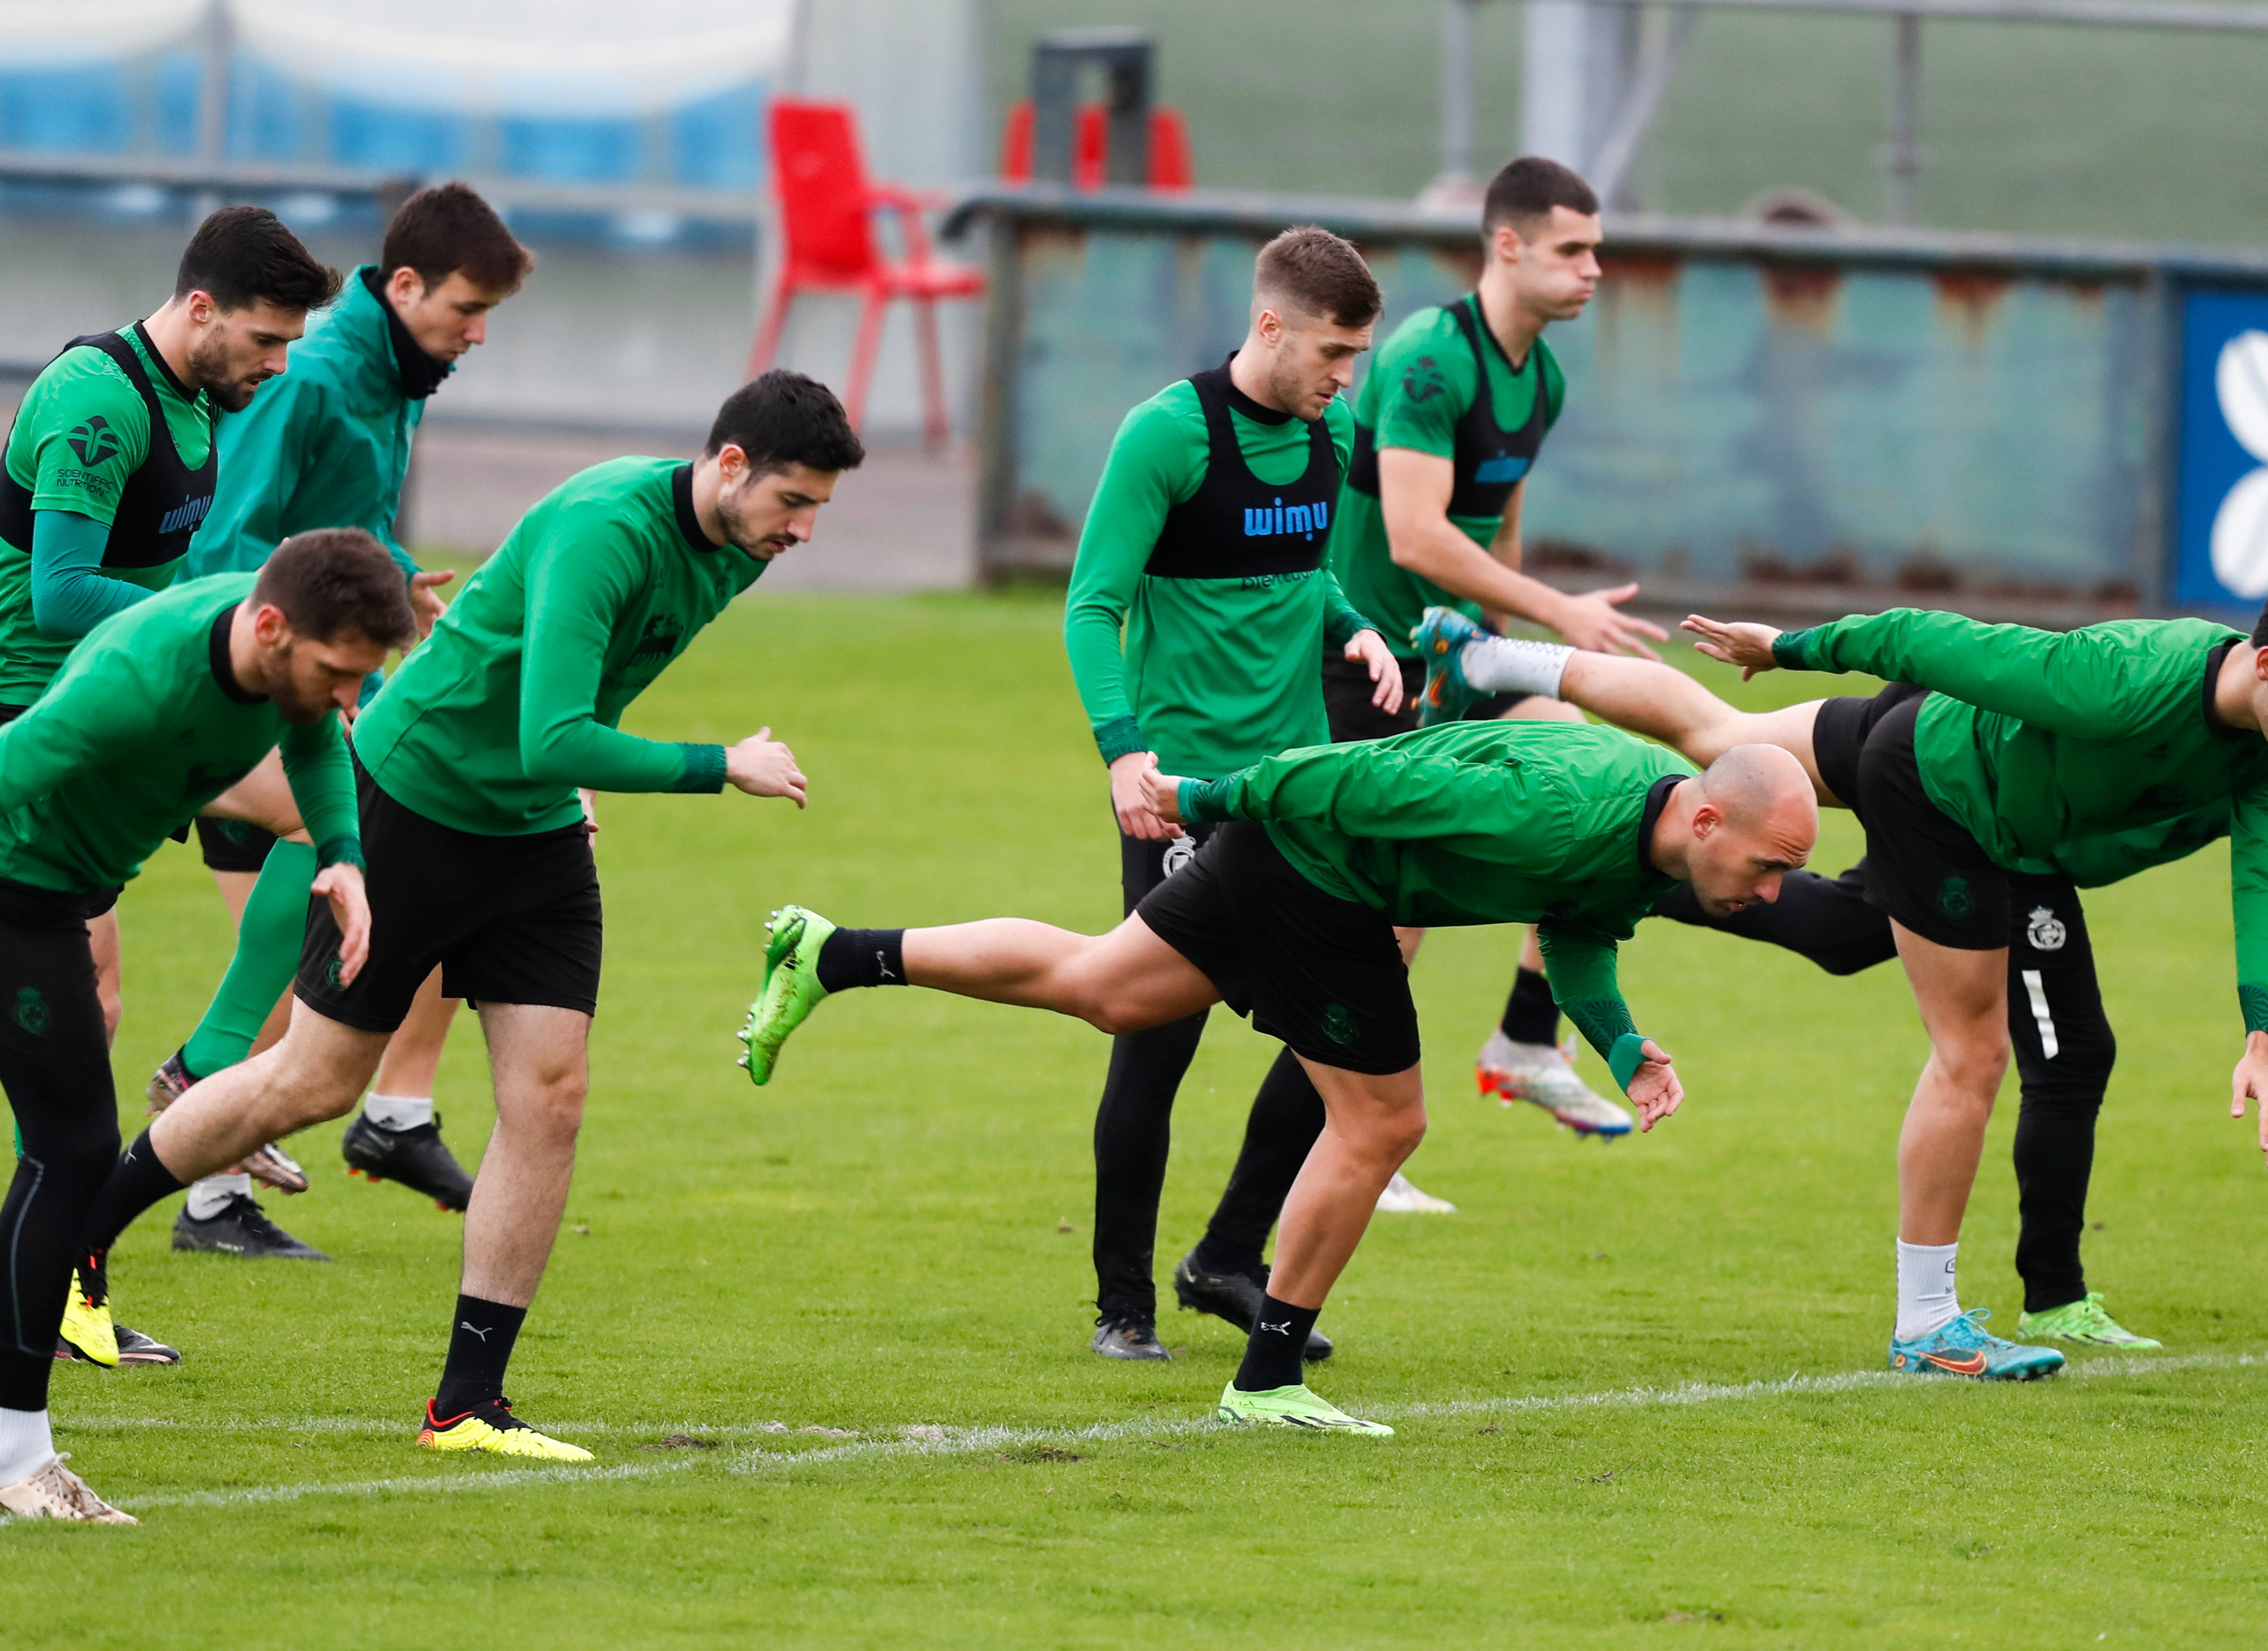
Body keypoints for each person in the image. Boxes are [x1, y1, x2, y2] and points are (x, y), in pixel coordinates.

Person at [56, 371, 859, 1463]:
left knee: (552, 1096)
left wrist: (570, 782)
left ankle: (467, 1404)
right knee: (314, 1081)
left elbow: (574, 707)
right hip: (417, 807)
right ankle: (76, 1243)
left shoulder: (736, 548)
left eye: (816, 510)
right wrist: (723, 764)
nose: (803, 530)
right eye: (793, 503)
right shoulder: (605, 529)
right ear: (730, 465)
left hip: (530, 835)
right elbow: (553, 733)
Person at [1427, 573, 2268, 1379]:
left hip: (1950, 765)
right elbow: (1933, 637)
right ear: (2267, 665)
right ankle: (1929, 1322)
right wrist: (1791, 645)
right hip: (1948, 795)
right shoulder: (2127, 676)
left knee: (1728, 748)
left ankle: (1488, 663)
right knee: (1972, 1055)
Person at [736, 722, 1818, 1433]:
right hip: (1317, 872)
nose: (1774, 893)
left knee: (1106, 986)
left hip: (1286, 863)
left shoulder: (1649, 840)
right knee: (1385, 1123)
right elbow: (1358, 774)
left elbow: (1578, 934)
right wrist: (1208, 794)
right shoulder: (1558, 807)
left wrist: (1626, 1048)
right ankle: (1268, 1378)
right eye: (1771, 868)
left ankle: (833, 952)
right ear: (1709, 819)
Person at [0, 530, 412, 1522]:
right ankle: (16, 1454)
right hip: (14, 889)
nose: (349, 700)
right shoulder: (138, 681)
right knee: (72, 1148)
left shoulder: (276, 658)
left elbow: (312, 745)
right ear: (270, 627)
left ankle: (15, 1450)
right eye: (340, 675)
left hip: (65, 883)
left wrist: (340, 850)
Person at [0, 203, 342, 1359]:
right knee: (62, 1008)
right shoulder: (97, 400)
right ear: (199, 308)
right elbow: (60, 594)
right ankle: (65, 1280)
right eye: (265, 340)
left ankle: (203, 1069)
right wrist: (219, 622)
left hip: (122, 709)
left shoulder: (198, 397)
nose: (277, 363)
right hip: (25, 715)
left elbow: (167, 575)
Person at [141, 182, 537, 1260]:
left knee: (320, 925)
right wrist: (307, 655)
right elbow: (235, 541)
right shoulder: (312, 376)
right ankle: (222, 1097)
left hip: (306, 677)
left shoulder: (393, 375)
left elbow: (342, 528)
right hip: (240, 680)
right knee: (340, 863)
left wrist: (397, 588)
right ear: (404, 286)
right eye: (465, 309)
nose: (478, 333)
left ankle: (215, 1185)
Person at [1051, 226, 1405, 1363]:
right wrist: (1122, 749)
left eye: (1356, 356)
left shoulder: (1330, 427)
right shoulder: (1168, 435)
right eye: (1334, 351)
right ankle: (1123, 1305)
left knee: (1339, 1034)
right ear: (1271, 325)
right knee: (1155, 1039)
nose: (1345, 378)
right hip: (1186, 792)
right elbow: (1091, 605)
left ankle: (1228, 1259)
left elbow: (1315, 570)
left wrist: (1357, 631)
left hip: (1299, 785)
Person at [1318, 155, 1655, 1137]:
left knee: (1606, 785)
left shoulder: (1539, 375)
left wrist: (1512, 644)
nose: (1595, 268)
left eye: (1598, 250)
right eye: (1573, 249)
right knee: (1391, 917)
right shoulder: (1430, 356)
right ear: (1506, 244)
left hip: (1464, 654)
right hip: (1372, 661)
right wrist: (1561, 612)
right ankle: (1348, 1139)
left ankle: (1525, 1040)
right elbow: (1416, 535)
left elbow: (1496, 521)